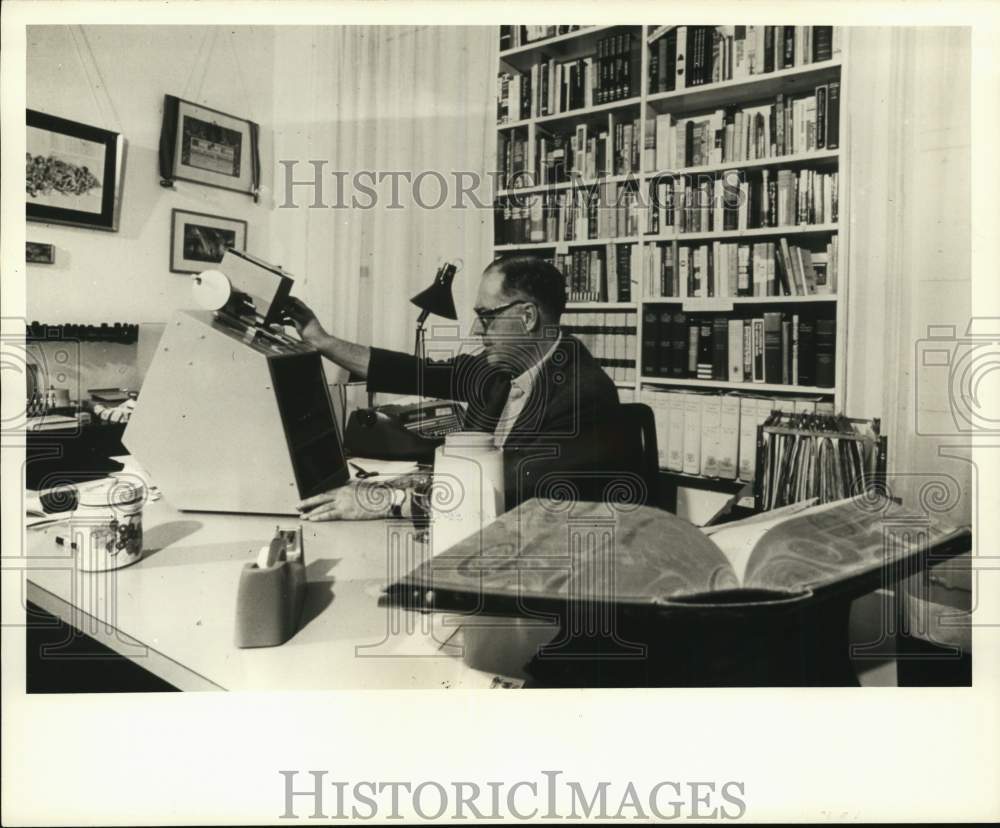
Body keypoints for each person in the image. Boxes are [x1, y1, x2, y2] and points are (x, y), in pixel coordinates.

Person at [284, 255, 620, 521]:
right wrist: (322, 340)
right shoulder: (503, 369)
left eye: (486, 316)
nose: (476, 329)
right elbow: (414, 372)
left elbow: (504, 492)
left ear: (528, 317)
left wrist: (389, 499)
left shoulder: (584, 395)